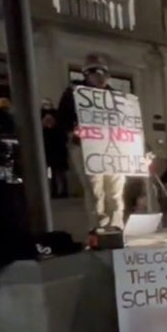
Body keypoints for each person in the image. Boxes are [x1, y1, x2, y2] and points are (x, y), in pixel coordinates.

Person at [57, 53, 126, 233]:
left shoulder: (116, 97)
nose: (101, 76)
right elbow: (62, 119)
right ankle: (98, 228)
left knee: (116, 190)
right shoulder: (73, 94)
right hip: (86, 147)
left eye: (104, 72)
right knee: (95, 190)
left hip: (114, 148)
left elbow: (128, 123)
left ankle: (117, 227)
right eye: (95, 71)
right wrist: (74, 128)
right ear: (86, 74)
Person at [41, 106, 69, 198]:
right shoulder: (58, 130)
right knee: (57, 175)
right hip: (56, 156)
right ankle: (59, 191)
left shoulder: (45, 132)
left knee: (57, 175)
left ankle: (58, 191)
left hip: (53, 156)